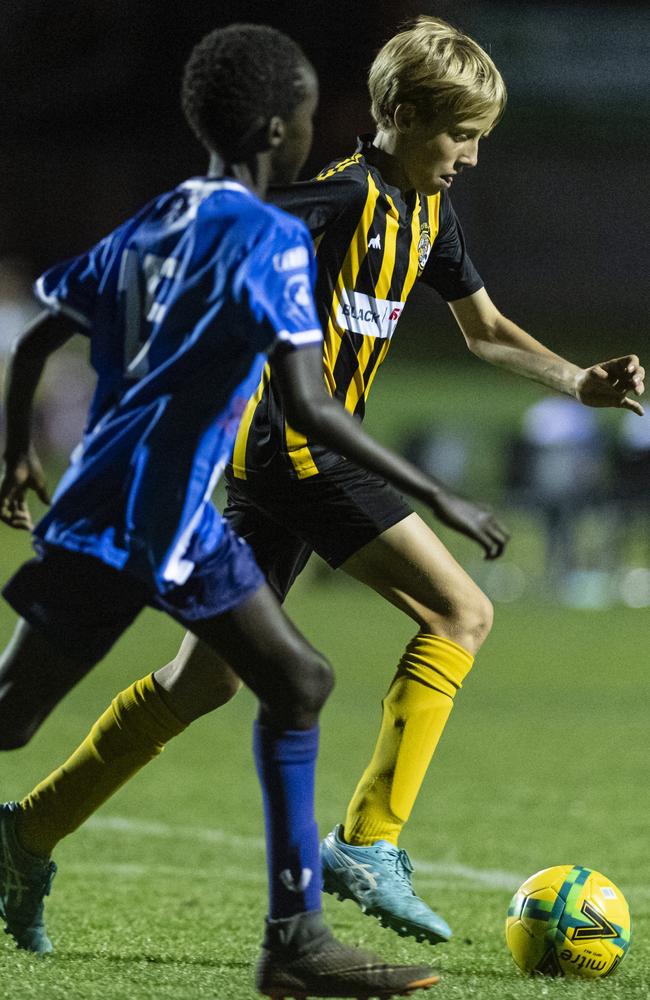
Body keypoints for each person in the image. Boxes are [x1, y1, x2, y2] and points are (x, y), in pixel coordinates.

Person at [1, 13, 644, 960]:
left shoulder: (431, 215)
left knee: (203, 682)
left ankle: (24, 833)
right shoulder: (326, 206)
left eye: (479, 139)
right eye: (459, 134)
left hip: (285, 467)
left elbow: (488, 329)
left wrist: (581, 382)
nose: (469, 156)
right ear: (400, 115)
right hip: (295, 454)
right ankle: (369, 841)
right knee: (461, 611)